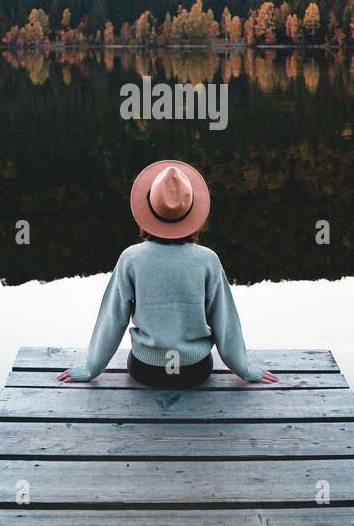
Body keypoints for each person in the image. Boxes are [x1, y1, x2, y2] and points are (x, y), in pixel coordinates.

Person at [57, 159, 279, 387]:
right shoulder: (208, 260)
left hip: (146, 370)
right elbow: (225, 320)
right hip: (195, 370)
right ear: (192, 214)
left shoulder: (131, 258)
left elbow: (113, 319)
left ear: (148, 212)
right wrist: (244, 369)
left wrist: (91, 368)